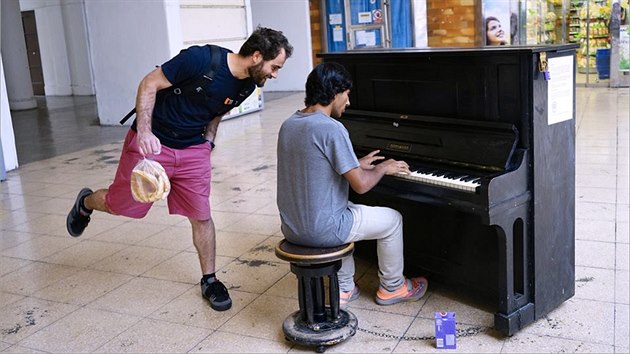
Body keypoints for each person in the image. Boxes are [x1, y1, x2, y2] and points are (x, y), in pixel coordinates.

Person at [66, 26, 293, 312]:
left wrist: (208, 143)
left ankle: (209, 279)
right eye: (275, 67)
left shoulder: (248, 85)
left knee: (201, 215)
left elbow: (217, 112)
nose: (275, 74)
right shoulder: (200, 59)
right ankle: (86, 202)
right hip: (154, 143)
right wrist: (145, 133)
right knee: (122, 205)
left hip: (193, 149)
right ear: (257, 55)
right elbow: (149, 84)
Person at [276, 62, 428, 308]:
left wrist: (354, 163)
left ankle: (344, 288)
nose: (348, 102)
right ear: (334, 93)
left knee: (341, 208)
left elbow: (312, 166)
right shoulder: (331, 128)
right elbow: (361, 186)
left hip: (292, 227)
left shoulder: (289, 124)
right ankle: (393, 287)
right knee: (393, 220)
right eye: (346, 95)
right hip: (323, 231)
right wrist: (382, 168)